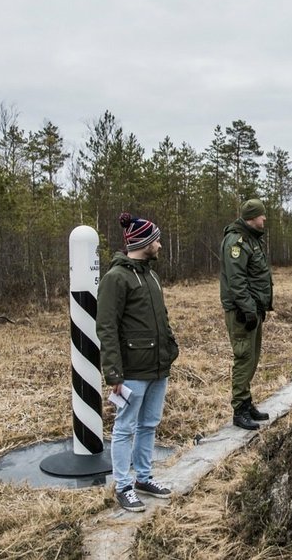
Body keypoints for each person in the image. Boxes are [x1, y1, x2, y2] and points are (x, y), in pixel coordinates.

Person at [97, 213, 180, 513]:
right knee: (124, 428)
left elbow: (162, 318)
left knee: (149, 425)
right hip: (131, 371)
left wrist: (170, 346)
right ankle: (123, 486)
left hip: (158, 366)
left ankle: (144, 478)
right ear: (144, 242)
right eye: (156, 239)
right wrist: (114, 372)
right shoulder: (116, 278)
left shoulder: (151, 275)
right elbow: (106, 327)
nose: (160, 244)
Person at [220, 198, 274, 430]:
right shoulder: (237, 241)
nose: (264, 219)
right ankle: (239, 410)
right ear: (252, 217)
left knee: (252, 358)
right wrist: (249, 309)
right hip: (242, 312)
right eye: (262, 216)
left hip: (253, 310)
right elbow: (236, 281)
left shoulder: (251, 239)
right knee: (243, 358)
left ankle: (247, 402)